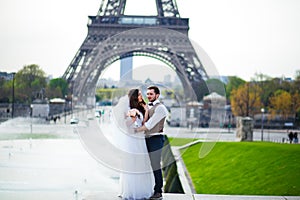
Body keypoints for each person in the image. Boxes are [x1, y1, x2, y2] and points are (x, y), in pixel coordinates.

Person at [115, 88, 154, 200]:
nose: (142, 96)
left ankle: (140, 190)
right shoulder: (127, 109)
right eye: (140, 94)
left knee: (141, 164)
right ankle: (132, 191)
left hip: (140, 139)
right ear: (134, 96)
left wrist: (145, 110)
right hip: (132, 140)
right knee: (132, 164)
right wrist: (133, 118)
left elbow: (143, 123)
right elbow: (125, 125)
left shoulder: (139, 107)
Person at [135, 85, 169, 200]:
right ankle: (147, 189)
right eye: (147, 94)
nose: (148, 96)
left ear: (157, 95)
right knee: (145, 165)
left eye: (151, 94)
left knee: (155, 165)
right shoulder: (148, 107)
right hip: (147, 139)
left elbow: (149, 125)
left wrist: (134, 131)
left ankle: (158, 191)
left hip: (156, 139)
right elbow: (144, 121)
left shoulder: (160, 108)